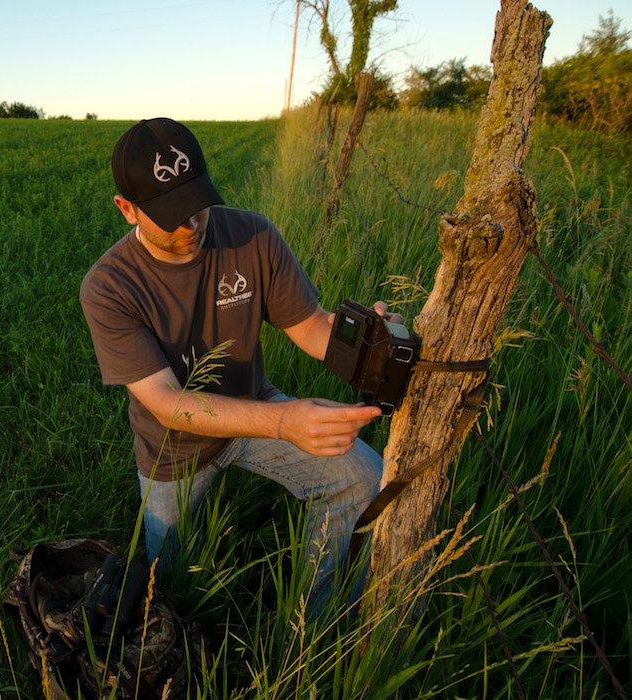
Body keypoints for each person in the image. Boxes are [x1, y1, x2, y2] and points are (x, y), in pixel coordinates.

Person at [79, 118, 404, 603]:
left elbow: (310, 325)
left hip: (253, 409)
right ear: (127, 210)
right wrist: (286, 421)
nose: (191, 226)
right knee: (163, 590)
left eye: (196, 205)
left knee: (361, 478)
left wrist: (366, 343)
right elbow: (167, 404)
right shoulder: (108, 286)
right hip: (173, 451)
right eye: (170, 215)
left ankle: (314, 624)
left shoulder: (251, 236)